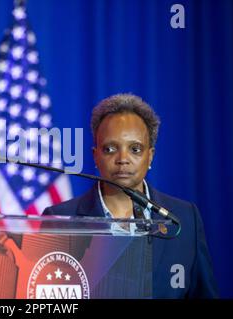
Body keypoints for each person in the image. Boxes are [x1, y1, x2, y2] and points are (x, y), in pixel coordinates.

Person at [43, 93, 219, 298]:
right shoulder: (58, 220)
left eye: (135, 149)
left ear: (150, 155)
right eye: (110, 149)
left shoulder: (184, 218)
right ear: (95, 156)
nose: (123, 159)